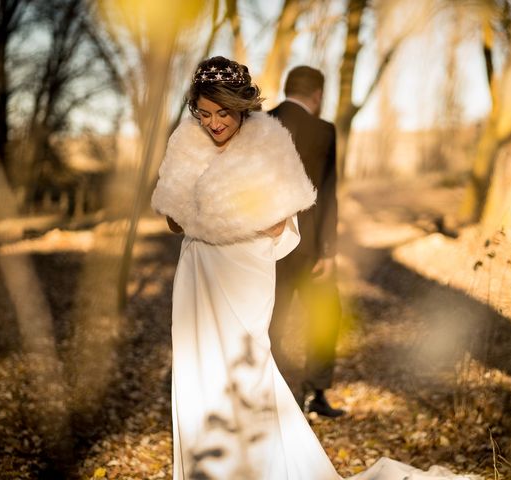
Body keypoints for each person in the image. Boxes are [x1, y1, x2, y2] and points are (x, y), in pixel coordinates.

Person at [151, 56, 480, 480]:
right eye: (205, 113)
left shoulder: (267, 143)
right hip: (196, 271)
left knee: (244, 367)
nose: (214, 124)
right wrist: (208, 211)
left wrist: (212, 212)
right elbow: (173, 217)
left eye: (223, 113)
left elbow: (277, 218)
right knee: (198, 371)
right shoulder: (186, 142)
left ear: (242, 106)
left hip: (242, 270)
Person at [268, 66, 344, 418]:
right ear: (317, 95)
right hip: (311, 248)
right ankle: (316, 394)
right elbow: (329, 194)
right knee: (325, 316)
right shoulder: (324, 130)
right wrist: (329, 251)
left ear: (287, 88)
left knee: (270, 323)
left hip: (265, 247)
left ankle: (277, 394)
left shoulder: (260, 125)